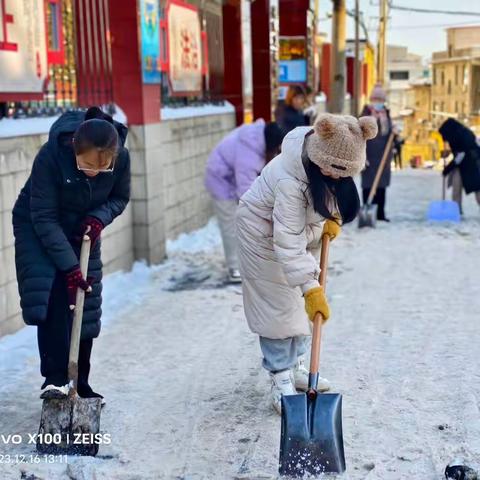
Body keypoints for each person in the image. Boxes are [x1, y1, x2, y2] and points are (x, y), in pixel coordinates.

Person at [236, 113, 377, 413]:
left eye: (345, 174)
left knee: (297, 306)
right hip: (261, 235)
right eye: (335, 172)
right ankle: (280, 376)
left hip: (293, 233)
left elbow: (314, 204)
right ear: (320, 159)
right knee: (277, 307)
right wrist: (311, 290)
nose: (339, 179)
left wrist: (326, 222)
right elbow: (286, 241)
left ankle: (297, 365)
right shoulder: (290, 180)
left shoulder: (325, 163)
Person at [12, 107, 130, 402]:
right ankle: (55, 379)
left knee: (85, 298)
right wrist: (69, 267)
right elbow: (43, 217)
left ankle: (81, 381)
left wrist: (99, 218)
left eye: (101, 168)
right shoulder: (51, 156)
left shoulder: (121, 158)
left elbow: (119, 197)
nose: (93, 171)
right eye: (86, 164)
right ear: (73, 149)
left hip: (83, 227)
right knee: (53, 294)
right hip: (38, 225)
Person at [205, 120, 285, 283]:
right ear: (270, 145)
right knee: (230, 224)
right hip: (220, 179)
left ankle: (245, 260)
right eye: (276, 149)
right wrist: (264, 210)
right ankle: (234, 267)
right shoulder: (249, 153)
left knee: (243, 221)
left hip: (231, 178)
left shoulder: (258, 139)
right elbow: (246, 191)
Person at [361, 84, 393, 221]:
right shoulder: (365, 115)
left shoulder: (387, 116)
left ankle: (380, 214)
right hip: (369, 156)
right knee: (368, 185)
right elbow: (359, 136)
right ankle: (368, 211)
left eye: (381, 100)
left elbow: (389, 135)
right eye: (376, 99)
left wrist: (395, 133)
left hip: (383, 157)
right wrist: (362, 156)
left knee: (381, 186)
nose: (378, 103)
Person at [438, 118, 480, 214]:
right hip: (461, 166)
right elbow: (458, 153)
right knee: (456, 188)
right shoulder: (456, 135)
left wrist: (448, 169)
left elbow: (461, 154)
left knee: (478, 189)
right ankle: (456, 210)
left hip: (472, 166)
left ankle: (456, 209)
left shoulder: (464, 137)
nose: (446, 140)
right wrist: (447, 153)